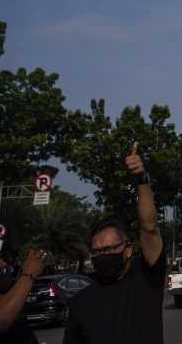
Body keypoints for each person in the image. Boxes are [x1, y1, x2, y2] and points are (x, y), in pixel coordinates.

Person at [64, 142, 165, 344]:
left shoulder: (147, 278)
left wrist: (141, 180)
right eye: (97, 252)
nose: (103, 255)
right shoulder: (80, 302)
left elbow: (149, 228)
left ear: (128, 250)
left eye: (109, 249)